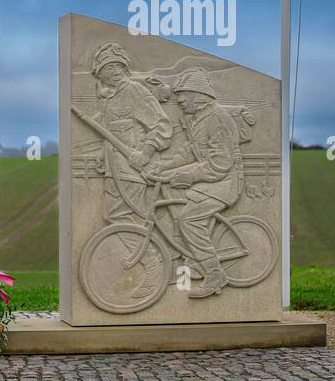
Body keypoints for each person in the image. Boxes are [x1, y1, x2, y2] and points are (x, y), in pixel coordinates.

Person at [145, 68, 243, 298]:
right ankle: (192, 258)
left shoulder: (217, 119)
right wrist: (164, 167)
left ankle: (214, 273)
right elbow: (190, 151)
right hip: (212, 178)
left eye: (183, 95)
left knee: (189, 221)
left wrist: (187, 176)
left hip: (225, 182)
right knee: (175, 200)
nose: (178, 99)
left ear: (198, 96)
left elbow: (219, 165)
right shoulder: (197, 118)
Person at [88, 43, 172, 299]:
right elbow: (113, 135)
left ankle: (155, 271)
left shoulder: (135, 90)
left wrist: (145, 153)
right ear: (99, 73)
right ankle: (158, 266)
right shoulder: (111, 98)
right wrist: (104, 159)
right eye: (108, 67)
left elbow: (162, 126)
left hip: (134, 173)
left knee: (125, 220)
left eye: (118, 66)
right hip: (116, 173)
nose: (114, 71)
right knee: (123, 219)